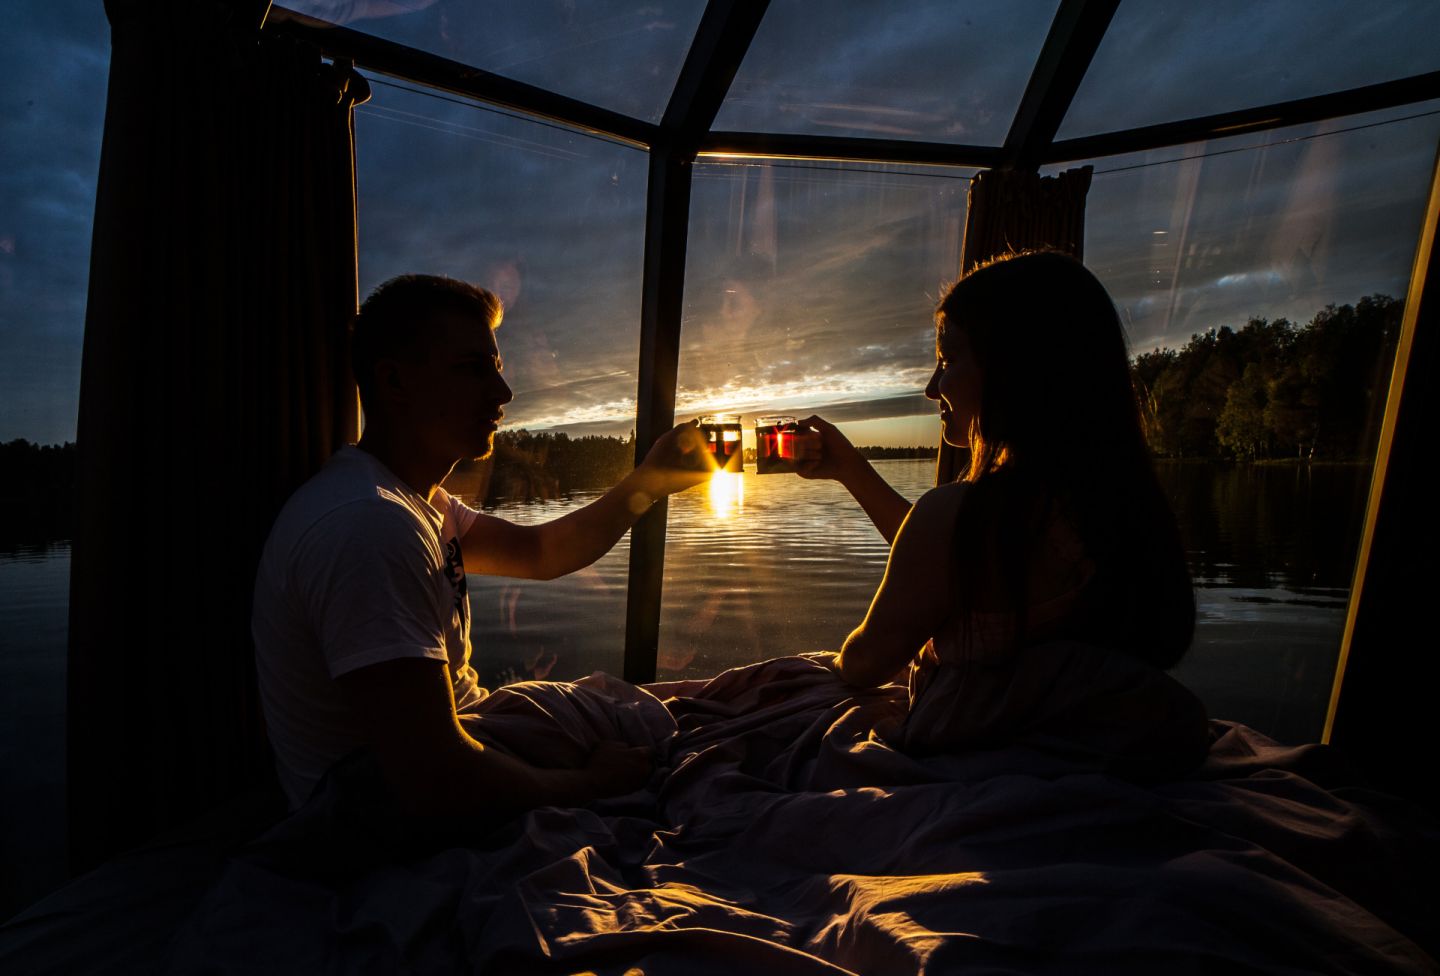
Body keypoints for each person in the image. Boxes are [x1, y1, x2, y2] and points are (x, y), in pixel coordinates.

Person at [252, 274, 709, 818]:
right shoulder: (369, 526)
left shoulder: (419, 502)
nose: (503, 392)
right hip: (383, 829)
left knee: (670, 716)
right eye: (473, 369)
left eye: (496, 366)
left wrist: (649, 482)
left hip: (456, 760)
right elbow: (437, 781)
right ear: (395, 382)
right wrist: (593, 784)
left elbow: (543, 553)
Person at [796, 250, 1208, 778]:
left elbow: (865, 663)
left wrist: (836, 659)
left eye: (947, 360)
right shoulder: (1118, 512)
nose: (931, 388)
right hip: (1107, 771)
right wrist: (853, 470)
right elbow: (955, 562)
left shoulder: (959, 520)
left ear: (1012, 369)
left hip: (978, 773)